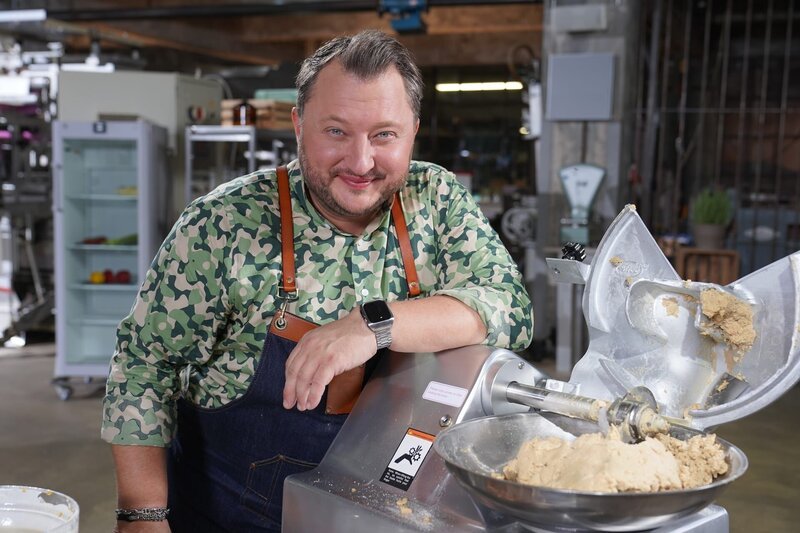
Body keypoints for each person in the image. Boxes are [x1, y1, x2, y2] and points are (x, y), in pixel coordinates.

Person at [102, 29, 532, 532]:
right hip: (235, 516)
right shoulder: (221, 224)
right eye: (336, 132)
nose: (360, 162)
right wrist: (142, 513)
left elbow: (510, 308)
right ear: (298, 125)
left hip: (390, 509)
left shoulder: (434, 199)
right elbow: (144, 365)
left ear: (413, 130)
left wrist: (374, 324)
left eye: (384, 135)